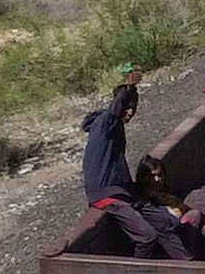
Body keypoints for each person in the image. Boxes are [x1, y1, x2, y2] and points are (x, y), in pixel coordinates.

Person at [81, 73, 192, 260]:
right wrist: (128, 89)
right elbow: (113, 111)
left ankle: (186, 262)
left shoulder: (115, 129)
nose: (131, 112)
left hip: (120, 191)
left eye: (134, 107)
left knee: (163, 221)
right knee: (147, 237)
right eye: (127, 106)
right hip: (106, 195)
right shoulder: (105, 123)